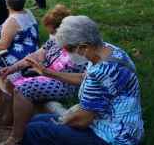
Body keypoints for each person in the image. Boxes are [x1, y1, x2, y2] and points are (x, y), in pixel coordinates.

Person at [22, 16, 144, 145]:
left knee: (34, 130)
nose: (67, 54)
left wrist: (63, 120)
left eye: (68, 49)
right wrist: (47, 72)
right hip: (126, 126)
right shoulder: (109, 51)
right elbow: (84, 77)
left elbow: (82, 121)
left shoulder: (100, 72)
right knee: (38, 119)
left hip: (113, 137)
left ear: (84, 47)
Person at [0, 5, 86, 145]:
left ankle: (16, 137)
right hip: (46, 75)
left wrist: (47, 72)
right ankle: (9, 123)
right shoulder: (55, 40)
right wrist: (12, 68)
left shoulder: (78, 46)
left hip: (64, 83)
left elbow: (80, 78)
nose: (52, 35)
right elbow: (36, 56)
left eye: (53, 32)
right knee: (10, 80)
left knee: (22, 89)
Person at [0, 0, 39, 68]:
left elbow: (3, 45)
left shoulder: (12, 20)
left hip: (19, 59)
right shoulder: (28, 13)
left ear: (7, 3)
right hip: (33, 54)